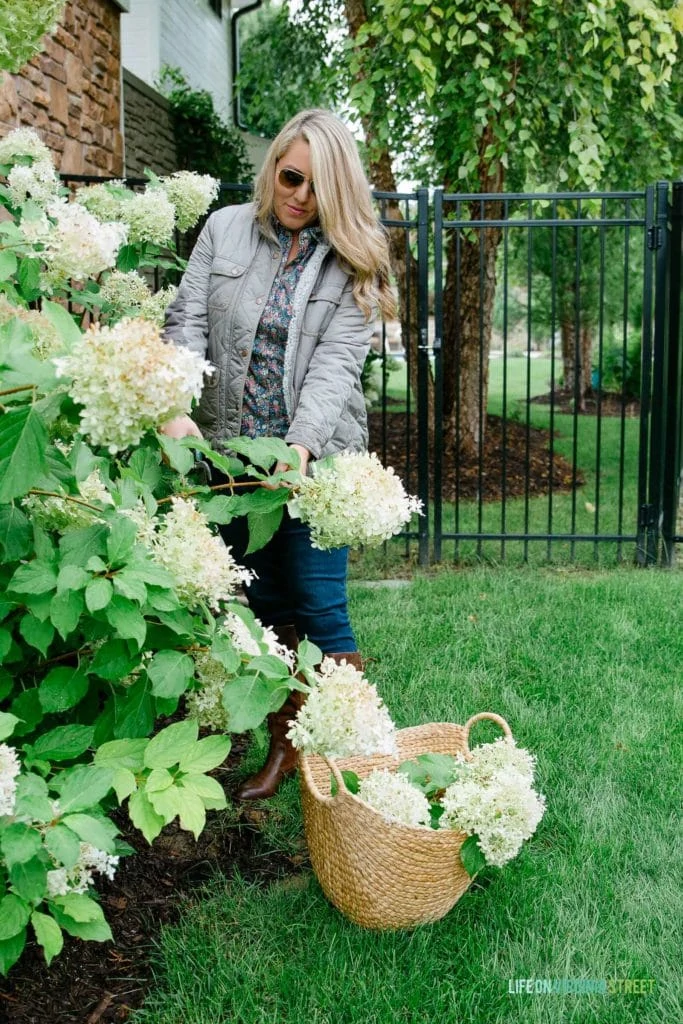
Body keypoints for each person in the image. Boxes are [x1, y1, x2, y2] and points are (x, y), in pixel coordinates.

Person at [161, 109, 396, 800]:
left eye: (318, 186)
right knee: (261, 609)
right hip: (230, 463)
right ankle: (286, 745)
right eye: (292, 177)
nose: (300, 196)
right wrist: (175, 405)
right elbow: (188, 322)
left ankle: (360, 761)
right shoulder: (224, 229)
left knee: (320, 606)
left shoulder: (353, 255)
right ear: (273, 170)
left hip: (312, 463)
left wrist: (299, 446)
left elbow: (335, 364)